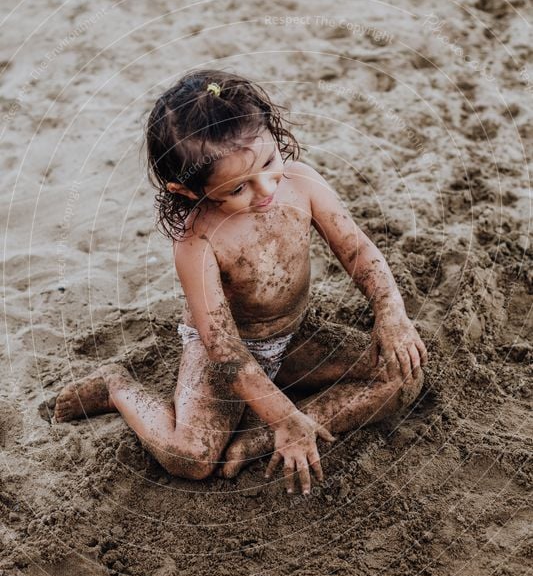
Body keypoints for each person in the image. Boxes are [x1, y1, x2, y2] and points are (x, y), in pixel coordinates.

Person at [55, 69, 428, 495]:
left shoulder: (301, 182)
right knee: (191, 457)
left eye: (269, 163)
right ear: (189, 191)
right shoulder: (197, 240)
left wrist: (391, 313)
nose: (265, 188)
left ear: (273, 133)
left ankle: (262, 440)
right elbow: (224, 347)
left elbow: (359, 252)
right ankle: (116, 386)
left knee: (405, 372)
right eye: (237, 188)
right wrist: (282, 414)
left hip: (294, 338)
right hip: (225, 357)